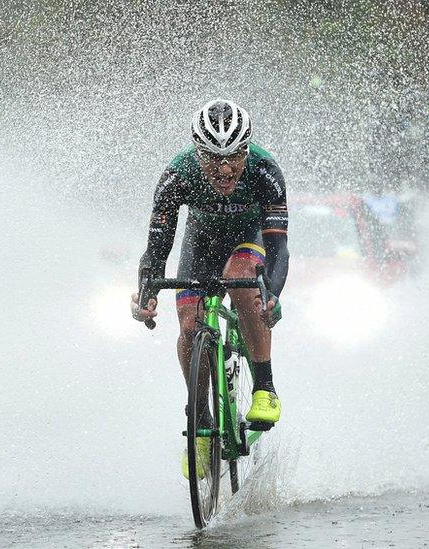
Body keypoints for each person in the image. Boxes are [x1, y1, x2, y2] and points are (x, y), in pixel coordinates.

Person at [130, 99, 290, 478]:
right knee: (190, 324)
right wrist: (147, 292)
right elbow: (157, 247)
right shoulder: (178, 175)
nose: (224, 168)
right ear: (196, 153)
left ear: (246, 150)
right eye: (212, 158)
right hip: (200, 243)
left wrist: (273, 293)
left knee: (242, 276)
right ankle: (200, 426)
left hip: (248, 242)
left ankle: (264, 388)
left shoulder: (265, 171)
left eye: (234, 156)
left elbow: (279, 247)